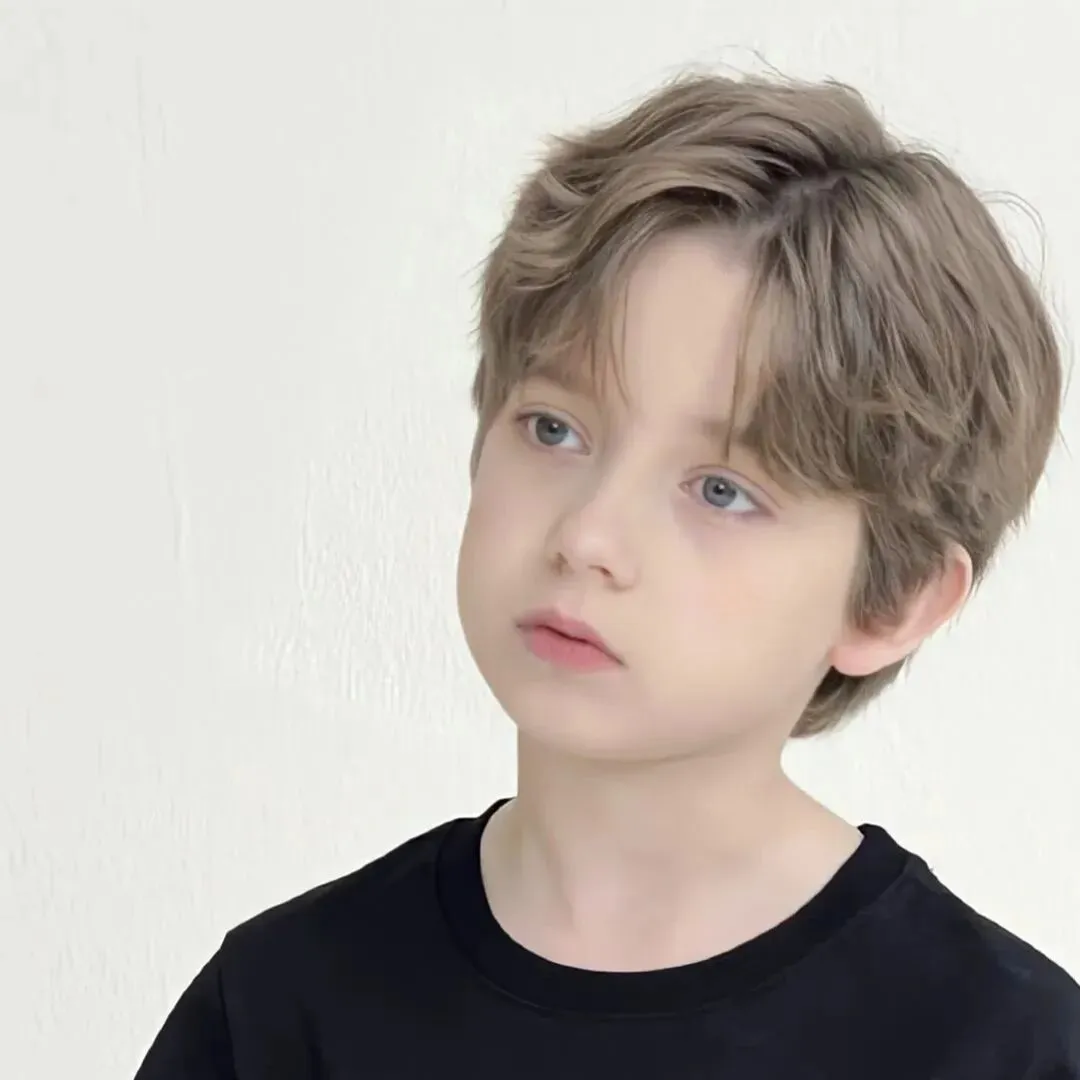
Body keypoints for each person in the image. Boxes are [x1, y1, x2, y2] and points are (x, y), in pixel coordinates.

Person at [133, 71, 1079, 1079]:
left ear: (894, 600)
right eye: (555, 430)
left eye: (722, 491)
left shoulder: (1001, 1048)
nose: (587, 535)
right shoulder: (279, 1010)